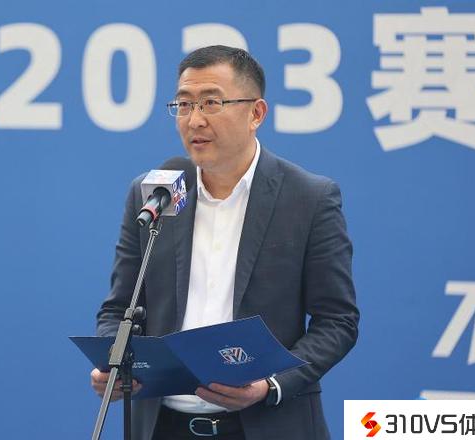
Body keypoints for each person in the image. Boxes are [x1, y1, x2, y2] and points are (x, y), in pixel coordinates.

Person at [91, 45, 359, 440]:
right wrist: (115, 362)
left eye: (211, 103)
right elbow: (119, 308)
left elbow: (337, 321)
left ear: (256, 113)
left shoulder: (309, 198)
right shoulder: (155, 194)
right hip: (163, 427)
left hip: (266, 426)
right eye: (184, 105)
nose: (195, 119)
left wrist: (270, 384)